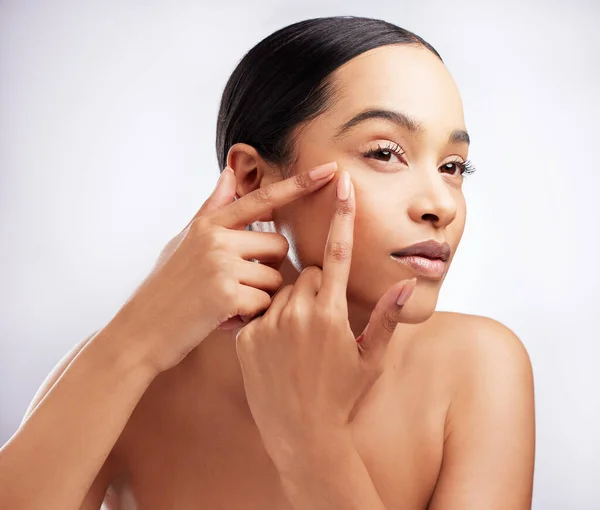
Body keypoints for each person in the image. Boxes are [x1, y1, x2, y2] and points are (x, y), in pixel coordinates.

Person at [0, 15, 535, 510]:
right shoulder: (124, 380)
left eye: (452, 165)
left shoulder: (478, 369)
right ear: (254, 178)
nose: (441, 204)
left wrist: (310, 437)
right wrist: (133, 340)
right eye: (384, 152)